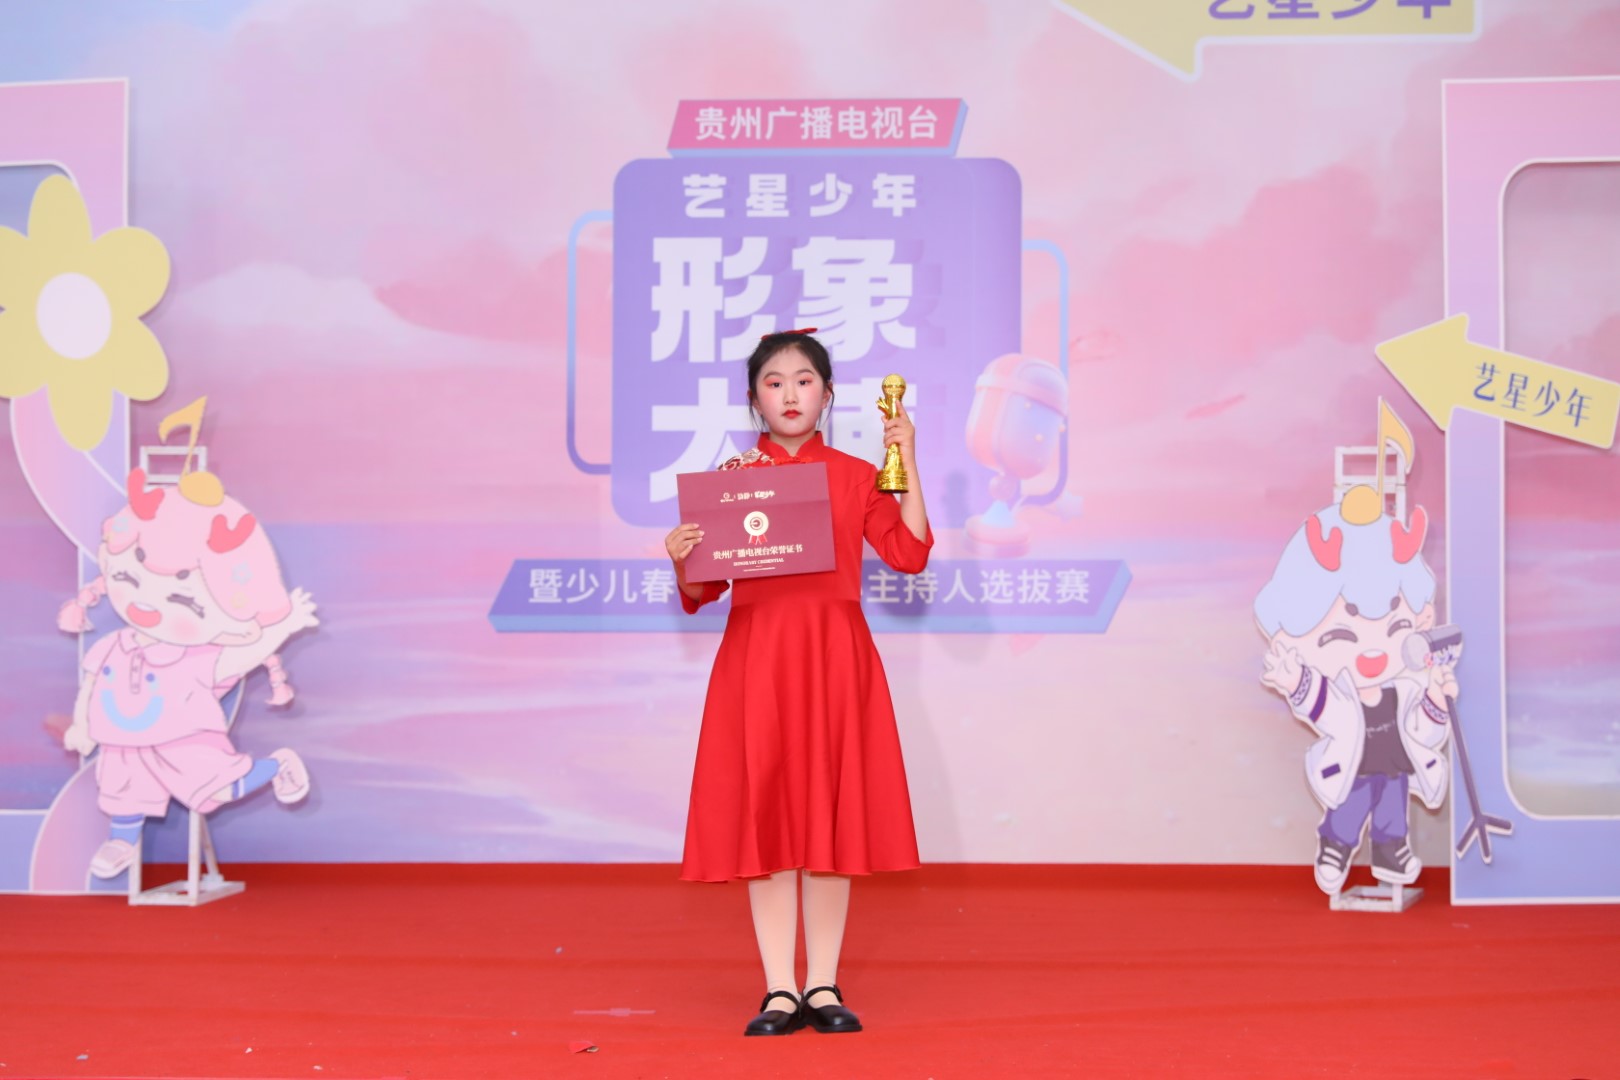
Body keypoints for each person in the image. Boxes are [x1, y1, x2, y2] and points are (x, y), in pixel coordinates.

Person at [664, 329, 931, 1036]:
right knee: (770, 821)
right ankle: (779, 989)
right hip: (758, 661)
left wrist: (907, 457)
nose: (790, 394)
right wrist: (682, 556)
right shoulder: (731, 481)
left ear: (828, 395)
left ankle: (824, 984)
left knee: (830, 825)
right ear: (755, 399)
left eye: (804, 381)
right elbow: (703, 590)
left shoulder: (855, 476)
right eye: (774, 382)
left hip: (834, 660)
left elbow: (908, 553)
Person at [57, 466, 319, 879]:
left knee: (219, 787)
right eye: (128, 578)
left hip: (184, 741)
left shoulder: (199, 657)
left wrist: (283, 626)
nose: (147, 605)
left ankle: (276, 765)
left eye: (183, 600)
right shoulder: (113, 645)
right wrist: (81, 726)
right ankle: (122, 839)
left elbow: (244, 657)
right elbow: (90, 687)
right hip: (122, 742)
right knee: (123, 792)